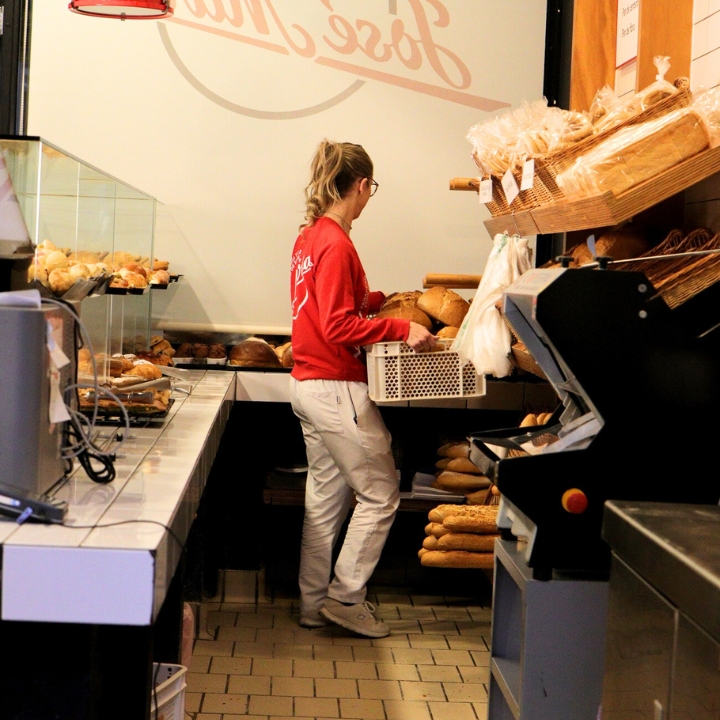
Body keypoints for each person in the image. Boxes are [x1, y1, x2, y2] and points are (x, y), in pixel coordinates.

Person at [289, 139, 436, 638]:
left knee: (325, 500)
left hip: (309, 385)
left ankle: (313, 606)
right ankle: (346, 598)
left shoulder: (309, 239)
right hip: (336, 388)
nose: (371, 197)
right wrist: (401, 328)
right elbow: (336, 324)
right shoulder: (336, 243)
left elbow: (325, 306)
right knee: (380, 494)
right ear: (361, 184)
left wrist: (377, 300)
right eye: (372, 189)